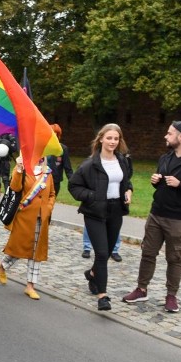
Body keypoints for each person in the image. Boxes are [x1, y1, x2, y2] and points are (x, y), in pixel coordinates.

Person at [122, 121, 181, 313]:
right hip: (156, 214)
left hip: (179, 218)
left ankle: (171, 296)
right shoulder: (165, 158)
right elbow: (163, 184)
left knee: (174, 257)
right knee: (147, 253)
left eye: (169, 133)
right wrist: (156, 182)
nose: (165, 136)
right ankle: (141, 289)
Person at [68, 124, 133, 311]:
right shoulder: (90, 164)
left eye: (116, 139)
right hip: (94, 213)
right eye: (109, 138)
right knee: (103, 254)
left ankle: (92, 273)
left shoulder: (122, 161)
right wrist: (91, 196)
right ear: (101, 139)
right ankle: (102, 296)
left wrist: (128, 191)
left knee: (107, 251)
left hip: (115, 211)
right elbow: (74, 186)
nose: (113, 142)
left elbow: (126, 181)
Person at [0, 155, 56, 300]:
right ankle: (3, 265)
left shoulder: (47, 172)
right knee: (20, 247)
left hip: (41, 217)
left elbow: (52, 194)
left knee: (36, 252)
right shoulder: (22, 169)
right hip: (24, 217)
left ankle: (30, 286)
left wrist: (48, 208)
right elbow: (15, 187)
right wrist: (19, 169)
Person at [47, 124, 73, 196]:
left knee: (51, 203)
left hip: (55, 181)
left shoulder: (63, 148)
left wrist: (73, 181)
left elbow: (68, 168)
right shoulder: (42, 146)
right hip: (41, 180)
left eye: (55, 134)